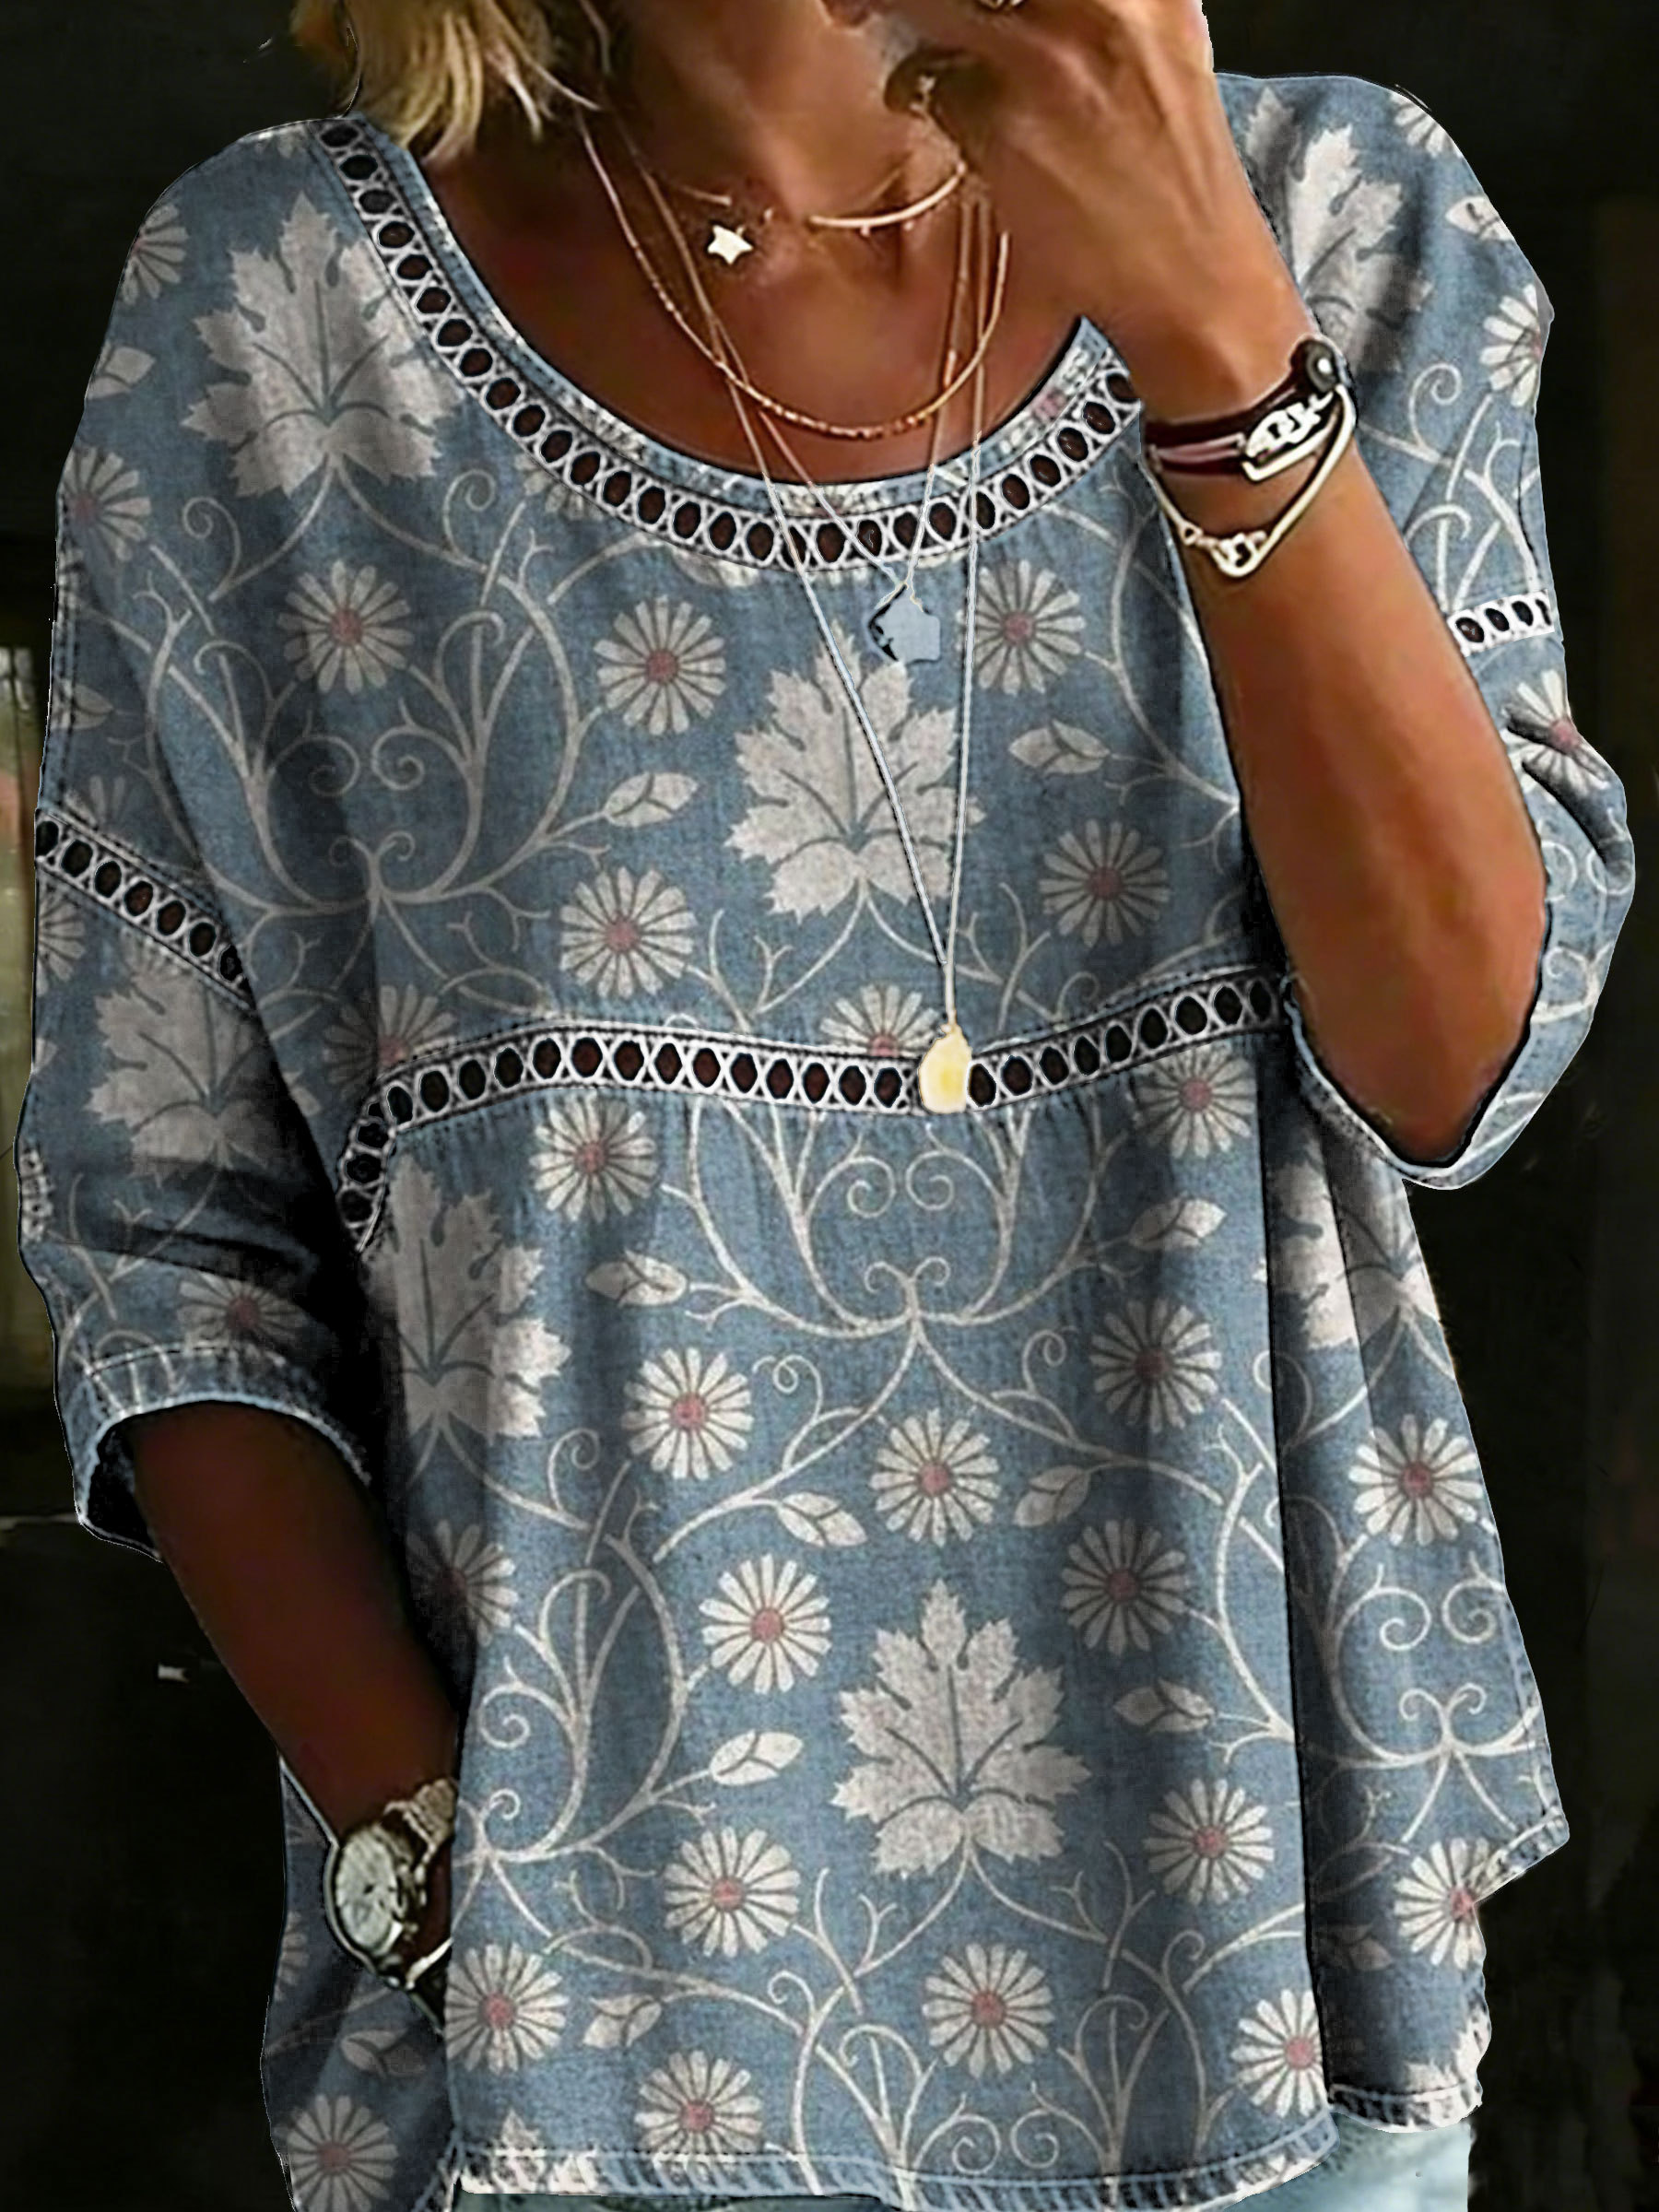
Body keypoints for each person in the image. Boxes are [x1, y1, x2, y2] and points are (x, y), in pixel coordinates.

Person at [13, 0, 1635, 2206]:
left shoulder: (1342, 222)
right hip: (585, 2070)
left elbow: (1463, 1062)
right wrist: (438, 1868)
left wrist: (1215, 341)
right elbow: (164, 1234)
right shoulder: (277, 314)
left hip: (1268, 1987)